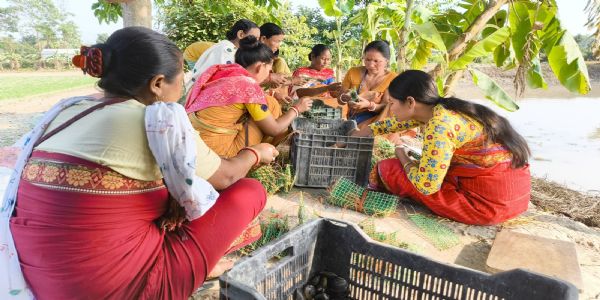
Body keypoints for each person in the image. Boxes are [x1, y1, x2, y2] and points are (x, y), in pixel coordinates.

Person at [4, 27, 278, 299]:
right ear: (158, 83)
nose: (182, 87)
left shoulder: (64, 112)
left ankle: (195, 262)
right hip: (117, 290)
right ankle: (188, 266)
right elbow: (227, 176)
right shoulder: (160, 123)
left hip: (37, 279)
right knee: (248, 191)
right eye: (181, 79)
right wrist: (256, 153)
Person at [354, 70, 531, 225]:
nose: (390, 109)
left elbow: (426, 186)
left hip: (488, 205)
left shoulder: (439, 125)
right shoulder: (440, 109)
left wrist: (402, 155)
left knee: (388, 169)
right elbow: (388, 126)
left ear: (410, 102)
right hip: (515, 197)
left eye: (392, 103)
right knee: (421, 164)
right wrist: (352, 136)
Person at [185, 36, 313, 158]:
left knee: (267, 100)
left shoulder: (223, 71)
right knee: (272, 105)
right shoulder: (248, 86)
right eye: (269, 70)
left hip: (193, 143)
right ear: (260, 67)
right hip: (217, 154)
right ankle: (258, 160)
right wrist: (296, 109)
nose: (269, 74)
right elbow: (274, 129)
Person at [185, 19, 260, 92]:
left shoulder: (224, 46)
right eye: (254, 38)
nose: (257, 43)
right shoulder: (227, 51)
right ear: (240, 34)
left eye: (258, 39)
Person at [338, 41, 397, 129]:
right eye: (367, 60)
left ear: (386, 61)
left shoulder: (392, 78)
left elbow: (387, 107)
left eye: (376, 61)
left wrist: (369, 105)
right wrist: (344, 97)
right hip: (352, 119)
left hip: (377, 123)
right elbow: (340, 100)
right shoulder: (353, 72)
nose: (371, 65)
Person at [290, 44, 344, 115]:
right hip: (309, 103)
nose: (326, 62)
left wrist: (342, 93)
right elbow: (300, 93)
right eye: (323, 59)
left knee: (343, 104)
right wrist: (326, 88)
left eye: (328, 59)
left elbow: (332, 92)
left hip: (326, 103)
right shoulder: (301, 72)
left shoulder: (329, 73)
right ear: (313, 57)